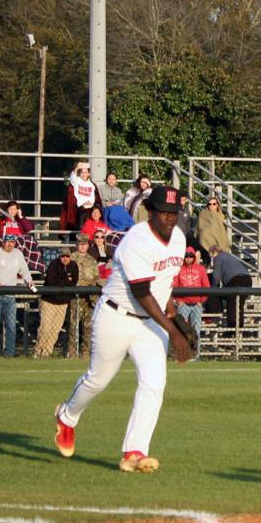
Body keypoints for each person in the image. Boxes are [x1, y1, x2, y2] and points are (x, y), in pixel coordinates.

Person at [53, 185, 194, 473]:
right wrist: (175, 333)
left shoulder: (179, 239)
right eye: (164, 212)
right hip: (116, 315)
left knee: (154, 384)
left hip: (149, 325)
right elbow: (142, 292)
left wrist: (174, 313)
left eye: (174, 212)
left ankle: (134, 451)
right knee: (98, 380)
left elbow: (162, 284)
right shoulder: (137, 240)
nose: (170, 217)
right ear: (150, 212)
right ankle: (67, 417)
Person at [0, 235, 36, 357]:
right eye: (7, 242)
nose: (10, 244)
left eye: (12, 242)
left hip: (10, 295)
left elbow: (24, 271)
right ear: (3, 242)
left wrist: (29, 280)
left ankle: (9, 353)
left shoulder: (18, 254)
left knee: (11, 325)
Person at [35, 248, 78, 358]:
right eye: (63, 256)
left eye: (67, 256)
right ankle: (38, 352)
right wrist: (66, 279)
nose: (65, 258)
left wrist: (62, 280)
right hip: (49, 301)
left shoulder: (74, 266)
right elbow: (51, 281)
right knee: (45, 328)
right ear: (59, 257)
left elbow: (74, 282)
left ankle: (46, 353)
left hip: (63, 303)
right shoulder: (54, 265)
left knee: (55, 330)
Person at [172, 246, 209, 356]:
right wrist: (178, 300)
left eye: (191, 256)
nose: (188, 258)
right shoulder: (178, 269)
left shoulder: (201, 269)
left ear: (194, 257)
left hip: (196, 304)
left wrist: (201, 300)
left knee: (196, 330)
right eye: (186, 256)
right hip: (183, 303)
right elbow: (174, 286)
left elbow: (206, 286)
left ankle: (196, 354)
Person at [68, 234, 101, 358]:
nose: (82, 247)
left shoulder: (92, 260)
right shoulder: (71, 258)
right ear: (77, 245)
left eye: (84, 245)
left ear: (88, 245)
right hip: (75, 296)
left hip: (89, 296)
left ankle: (86, 353)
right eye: (80, 245)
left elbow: (96, 278)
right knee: (73, 325)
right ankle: (72, 353)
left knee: (88, 326)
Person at [209, 244, 251, 328]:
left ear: (214, 252)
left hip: (235, 280)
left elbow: (216, 276)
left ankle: (232, 328)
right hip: (247, 279)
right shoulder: (229, 256)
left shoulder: (219, 258)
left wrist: (213, 288)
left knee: (232, 304)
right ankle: (240, 327)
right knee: (239, 305)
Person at [0, 200, 44, 272]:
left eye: (14, 209)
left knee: (30, 239)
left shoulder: (20, 220)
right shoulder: (2, 220)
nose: (12, 211)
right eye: (10, 209)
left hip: (21, 242)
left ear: (17, 210)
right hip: (8, 241)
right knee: (19, 240)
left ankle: (28, 265)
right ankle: (20, 265)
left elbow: (29, 228)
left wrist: (20, 216)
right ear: (7, 210)